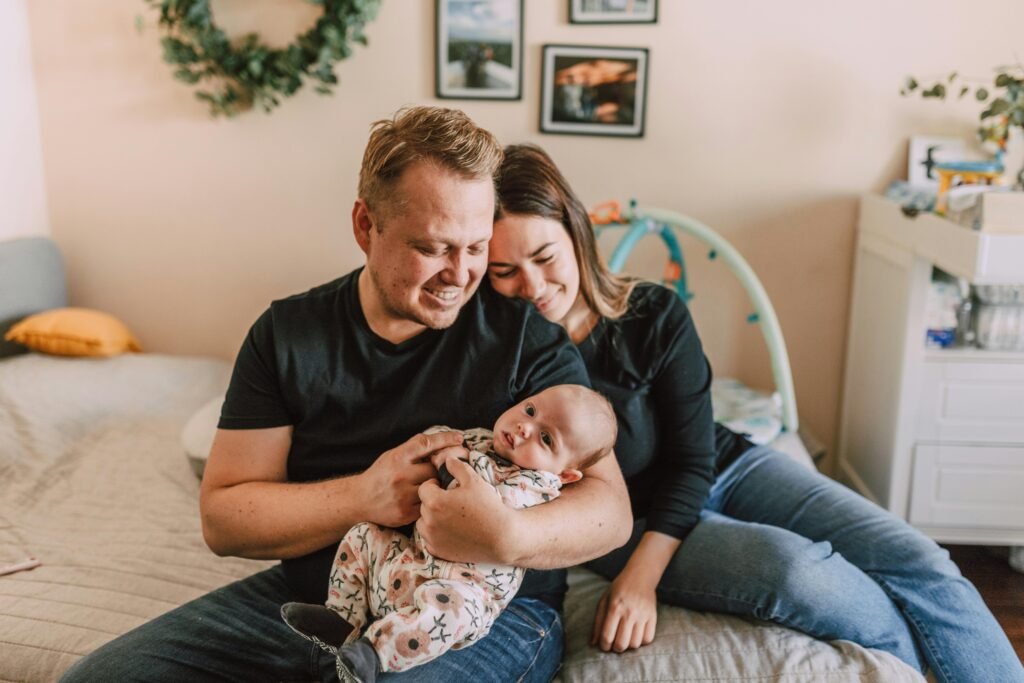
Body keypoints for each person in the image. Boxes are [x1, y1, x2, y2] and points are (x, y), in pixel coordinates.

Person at [60, 108, 632, 683]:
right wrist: (364, 496)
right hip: (323, 604)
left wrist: (508, 535)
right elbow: (224, 518)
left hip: (478, 613)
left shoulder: (525, 340)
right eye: (434, 248)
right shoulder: (287, 335)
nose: (460, 274)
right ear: (365, 226)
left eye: (476, 247)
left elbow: (610, 511)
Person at [487, 143, 1024, 683]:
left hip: (724, 465)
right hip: (629, 521)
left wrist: (642, 580)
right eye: (504, 270)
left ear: (576, 234)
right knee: (803, 574)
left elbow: (694, 457)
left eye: (544, 257)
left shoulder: (653, 312)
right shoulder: (508, 357)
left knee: (923, 561)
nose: (531, 287)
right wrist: (633, 569)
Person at [281, 384, 617, 683]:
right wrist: (442, 445)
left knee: (452, 612)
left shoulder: (537, 486)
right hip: (407, 564)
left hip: (458, 589)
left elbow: (488, 502)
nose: (524, 427)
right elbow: (439, 437)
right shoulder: (479, 439)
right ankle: (342, 618)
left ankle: (372, 653)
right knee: (364, 535)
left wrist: (456, 462)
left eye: (546, 438)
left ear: (567, 475)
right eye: (530, 410)